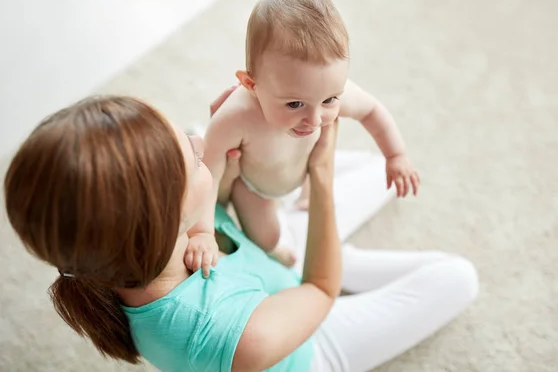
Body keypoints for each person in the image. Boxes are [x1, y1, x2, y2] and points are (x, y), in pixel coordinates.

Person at [4, 86, 478, 372]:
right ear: (165, 217)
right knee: (457, 277)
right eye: (188, 154)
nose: (197, 142)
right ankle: (334, 249)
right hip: (311, 346)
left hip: (265, 259)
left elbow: (217, 184)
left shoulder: (128, 250)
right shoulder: (229, 336)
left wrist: (237, 144)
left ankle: (317, 243)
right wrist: (321, 176)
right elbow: (320, 287)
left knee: (385, 173)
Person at [186, 0, 420, 269]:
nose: (315, 119)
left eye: (329, 100)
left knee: (366, 176)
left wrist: (395, 155)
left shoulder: (326, 93)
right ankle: (274, 249)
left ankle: (307, 195)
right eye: (295, 104)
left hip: (303, 169)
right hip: (256, 186)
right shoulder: (236, 116)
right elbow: (208, 172)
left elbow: (371, 110)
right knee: (266, 237)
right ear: (251, 84)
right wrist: (202, 232)